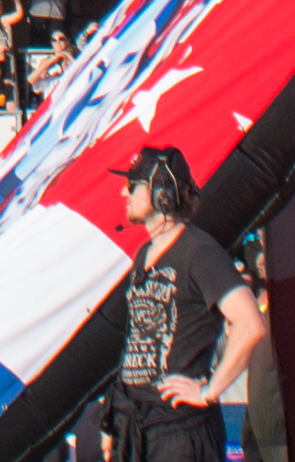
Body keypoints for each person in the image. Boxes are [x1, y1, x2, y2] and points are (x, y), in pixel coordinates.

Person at [95, 145, 263, 461]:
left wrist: (208, 392)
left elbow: (251, 324)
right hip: (138, 429)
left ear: (163, 195)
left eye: (133, 185)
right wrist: (113, 417)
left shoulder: (200, 253)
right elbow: (135, 342)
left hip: (179, 435)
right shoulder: (144, 255)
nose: (123, 192)